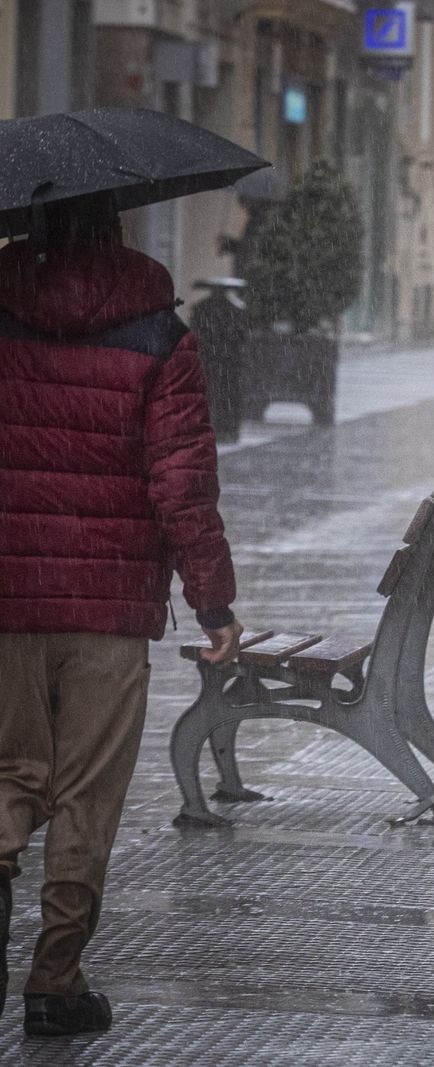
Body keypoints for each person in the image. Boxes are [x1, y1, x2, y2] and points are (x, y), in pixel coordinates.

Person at [0, 201, 242, 1036]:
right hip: (107, 611)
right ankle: (54, 981)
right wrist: (213, 601)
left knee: (6, 782)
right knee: (85, 799)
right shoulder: (156, 331)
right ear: (113, 229)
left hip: (5, 603)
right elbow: (181, 481)